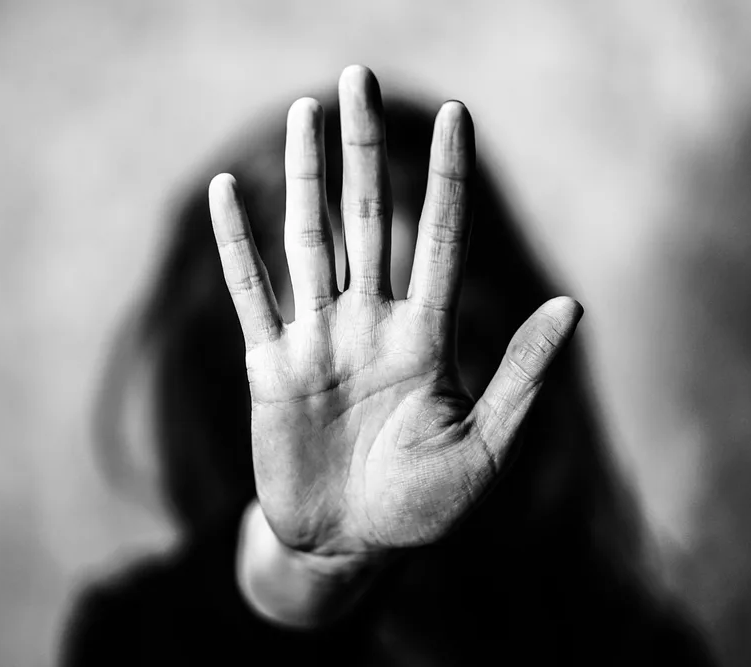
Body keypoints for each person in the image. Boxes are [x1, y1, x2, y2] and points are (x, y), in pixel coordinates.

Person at [61, 65, 714, 665]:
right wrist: (308, 563)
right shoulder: (143, 639)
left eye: (442, 331)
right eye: (336, 353)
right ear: (234, 382)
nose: (399, 400)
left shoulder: (633, 648)